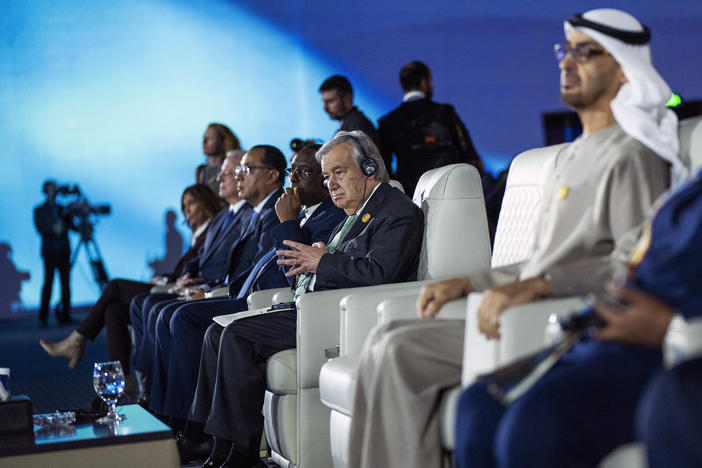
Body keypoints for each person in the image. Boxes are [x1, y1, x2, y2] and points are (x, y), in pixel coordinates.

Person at [347, 8, 681, 468]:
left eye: (586, 53)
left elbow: (628, 266)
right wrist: (468, 283)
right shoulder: (571, 156)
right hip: (525, 306)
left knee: (399, 350)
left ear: (624, 69)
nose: (566, 63)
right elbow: (535, 264)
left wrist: (538, 286)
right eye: (566, 51)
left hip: (556, 317)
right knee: (382, 337)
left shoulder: (632, 153)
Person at [181, 131, 424, 468]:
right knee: (216, 333)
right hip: (314, 306)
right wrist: (323, 256)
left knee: (236, 336)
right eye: (326, 176)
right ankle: (216, 445)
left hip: (342, 316)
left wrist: (322, 260)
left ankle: (242, 453)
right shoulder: (358, 212)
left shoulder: (396, 211)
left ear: (369, 167)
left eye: (338, 172)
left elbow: (380, 274)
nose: (331, 184)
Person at [454, 164, 702, 468]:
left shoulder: (634, 160)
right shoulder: (690, 184)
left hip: (668, 339)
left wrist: (671, 325)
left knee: (538, 423)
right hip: (610, 332)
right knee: (480, 403)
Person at [157, 144, 345, 451]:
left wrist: (287, 221)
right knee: (192, 320)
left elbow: (294, 272)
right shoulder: (306, 213)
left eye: (303, 172)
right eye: (291, 171)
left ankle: (206, 437)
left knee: (197, 321)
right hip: (264, 295)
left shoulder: (325, 215)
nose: (293, 180)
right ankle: (203, 434)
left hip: (291, 302)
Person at [147, 145, 288, 419]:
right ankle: (165, 411)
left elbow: (263, 271)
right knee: (166, 311)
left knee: (182, 316)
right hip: (238, 292)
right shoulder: (257, 212)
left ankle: (186, 420)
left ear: (272, 176)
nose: (239, 177)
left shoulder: (274, 211)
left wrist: (214, 294)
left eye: (246, 170)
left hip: (253, 298)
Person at [39, 184, 221, 379]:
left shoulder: (213, 230)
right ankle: (123, 379)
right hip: (171, 284)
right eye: (184, 206)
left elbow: (204, 268)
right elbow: (186, 268)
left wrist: (178, 281)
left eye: (191, 203)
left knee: (115, 286)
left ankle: (76, 341)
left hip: (182, 291)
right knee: (113, 310)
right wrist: (166, 277)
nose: (187, 210)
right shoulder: (198, 233)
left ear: (205, 202)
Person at [130, 152, 252, 395]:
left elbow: (230, 264)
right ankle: (152, 390)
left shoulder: (249, 214)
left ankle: (165, 400)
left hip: (224, 290)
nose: (222, 179)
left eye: (229, 173)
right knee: (144, 304)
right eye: (223, 174)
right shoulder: (222, 217)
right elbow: (200, 258)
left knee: (164, 311)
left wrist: (207, 292)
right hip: (207, 284)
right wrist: (188, 277)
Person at [377, 60, 485, 197]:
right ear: (424, 82)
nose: (432, 86)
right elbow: (470, 155)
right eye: (430, 81)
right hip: (451, 193)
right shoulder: (446, 113)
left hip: (410, 198)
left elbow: (384, 170)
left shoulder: (388, 122)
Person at [33, 180, 75, 327]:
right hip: (50, 252)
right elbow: (41, 229)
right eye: (50, 188)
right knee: (48, 284)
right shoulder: (38, 210)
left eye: (55, 188)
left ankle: (66, 314)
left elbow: (72, 226)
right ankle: (43, 316)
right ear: (45, 190)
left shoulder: (63, 209)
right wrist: (53, 229)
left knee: (65, 285)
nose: (53, 191)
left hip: (64, 251)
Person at [319, 75, 379, 145]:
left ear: (348, 98)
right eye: (324, 102)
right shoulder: (351, 123)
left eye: (330, 101)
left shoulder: (357, 126)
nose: (325, 108)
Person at [196, 123, 242, 194]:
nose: (204, 142)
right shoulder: (201, 171)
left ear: (224, 142)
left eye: (210, 138)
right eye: (204, 138)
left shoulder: (234, 166)